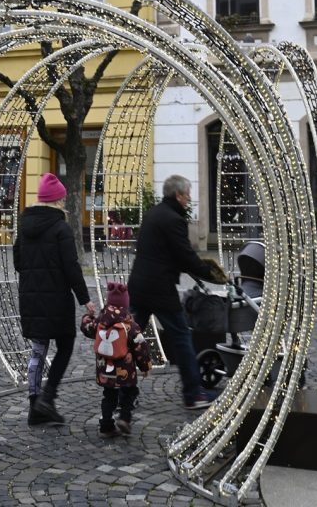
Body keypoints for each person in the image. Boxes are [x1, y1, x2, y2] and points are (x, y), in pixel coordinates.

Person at [127, 175, 227, 410]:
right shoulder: (174, 219)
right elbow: (184, 255)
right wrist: (208, 272)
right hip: (159, 289)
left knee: (131, 340)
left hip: (139, 285)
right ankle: (194, 394)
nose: (190, 198)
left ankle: (122, 391)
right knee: (181, 337)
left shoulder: (154, 213)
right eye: (187, 193)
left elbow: (165, 252)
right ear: (178, 195)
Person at [13, 172, 96, 425]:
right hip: (57, 298)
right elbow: (72, 267)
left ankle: (34, 406)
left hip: (31, 298)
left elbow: (18, 263)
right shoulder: (61, 228)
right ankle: (47, 398)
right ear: (57, 201)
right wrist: (85, 300)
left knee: (38, 351)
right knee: (66, 345)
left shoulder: (24, 226)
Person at [80, 281, 151, 437]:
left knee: (109, 396)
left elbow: (86, 328)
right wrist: (145, 367)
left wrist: (87, 317)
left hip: (105, 370)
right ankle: (124, 419)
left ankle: (106, 426)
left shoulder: (100, 321)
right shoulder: (131, 325)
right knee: (131, 392)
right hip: (126, 371)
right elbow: (140, 347)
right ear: (126, 303)